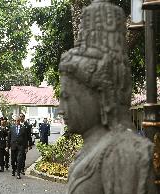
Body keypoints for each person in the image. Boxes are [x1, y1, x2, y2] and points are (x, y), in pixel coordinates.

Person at [58, 0, 157, 193]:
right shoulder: (92, 149)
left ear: (99, 93)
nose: (62, 109)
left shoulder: (124, 153)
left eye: (67, 97)